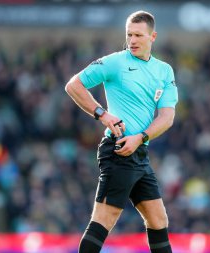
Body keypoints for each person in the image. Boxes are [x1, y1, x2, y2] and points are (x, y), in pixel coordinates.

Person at [65, 10, 178, 253]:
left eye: (138, 35)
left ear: (153, 36)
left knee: (158, 220)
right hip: (118, 151)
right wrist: (102, 114)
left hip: (138, 151)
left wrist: (141, 137)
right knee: (104, 220)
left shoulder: (164, 71)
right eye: (129, 35)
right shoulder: (115, 62)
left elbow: (167, 117)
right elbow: (73, 85)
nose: (132, 40)